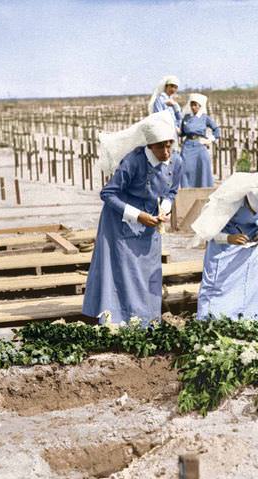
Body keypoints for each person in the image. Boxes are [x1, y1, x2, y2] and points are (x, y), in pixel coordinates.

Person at [82, 111, 183, 325]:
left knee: (147, 272)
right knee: (124, 271)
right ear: (149, 146)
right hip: (121, 220)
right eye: (160, 147)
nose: (166, 152)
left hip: (151, 221)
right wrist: (138, 216)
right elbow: (108, 193)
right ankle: (120, 319)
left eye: (169, 145)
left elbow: (171, 192)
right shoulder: (134, 161)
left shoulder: (176, 162)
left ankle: (146, 319)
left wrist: (164, 209)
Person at [192, 172, 258, 320]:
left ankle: (247, 321)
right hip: (224, 246)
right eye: (251, 209)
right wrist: (229, 238)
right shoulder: (228, 199)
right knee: (218, 288)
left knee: (250, 287)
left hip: (252, 246)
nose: (253, 213)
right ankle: (212, 322)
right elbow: (208, 233)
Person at [180, 93, 221, 187]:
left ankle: (204, 191)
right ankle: (187, 192)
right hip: (187, 146)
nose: (193, 107)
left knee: (203, 167)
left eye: (195, 105)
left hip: (199, 145)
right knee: (185, 168)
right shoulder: (186, 117)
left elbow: (217, 129)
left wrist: (209, 139)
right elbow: (182, 133)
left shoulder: (204, 117)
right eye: (192, 104)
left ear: (200, 105)